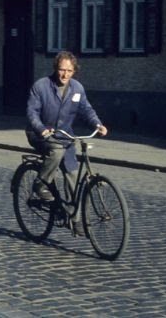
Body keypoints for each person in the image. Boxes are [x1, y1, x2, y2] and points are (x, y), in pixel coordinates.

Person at [26, 51, 108, 212]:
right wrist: (40, 128)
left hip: (65, 135)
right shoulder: (41, 86)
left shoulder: (77, 88)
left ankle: (75, 218)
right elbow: (32, 112)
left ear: (74, 71)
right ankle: (40, 184)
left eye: (69, 71)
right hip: (40, 134)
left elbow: (86, 109)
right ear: (56, 68)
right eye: (62, 70)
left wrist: (98, 124)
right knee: (56, 151)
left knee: (73, 174)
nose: (65, 74)